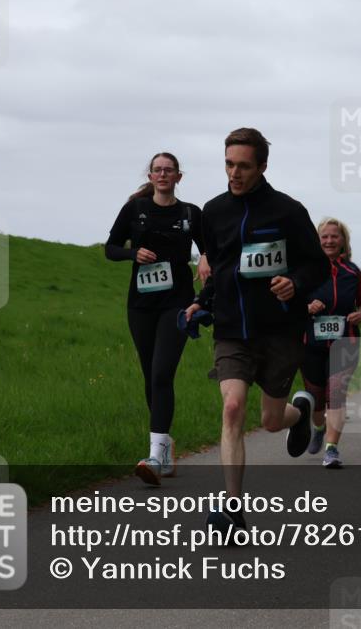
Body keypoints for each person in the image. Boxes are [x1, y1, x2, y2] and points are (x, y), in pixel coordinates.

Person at [185, 128, 328, 530]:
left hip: (279, 328)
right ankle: (232, 508)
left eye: (243, 166)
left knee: (268, 420)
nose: (234, 173)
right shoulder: (212, 212)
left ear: (262, 166)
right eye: (229, 164)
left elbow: (316, 265)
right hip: (232, 328)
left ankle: (298, 414)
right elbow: (221, 268)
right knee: (232, 408)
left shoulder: (288, 211)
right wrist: (202, 301)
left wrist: (295, 283)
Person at [105, 152, 205, 485]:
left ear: (179, 176)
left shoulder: (191, 213)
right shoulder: (135, 210)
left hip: (176, 304)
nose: (163, 174)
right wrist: (134, 253)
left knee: (162, 373)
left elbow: (212, 248)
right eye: (157, 170)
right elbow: (111, 248)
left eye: (169, 170)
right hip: (141, 305)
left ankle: (155, 454)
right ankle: (164, 445)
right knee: (151, 376)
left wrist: (205, 258)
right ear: (150, 176)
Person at [302, 218, 361, 468]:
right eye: (325, 236)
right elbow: (287, 302)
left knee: (337, 393)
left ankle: (332, 449)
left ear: (343, 241)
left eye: (335, 236)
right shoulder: (305, 270)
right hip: (310, 342)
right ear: (317, 240)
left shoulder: (352, 272)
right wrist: (307, 307)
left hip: (346, 341)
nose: (330, 241)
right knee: (316, 398)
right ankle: (319, 428)